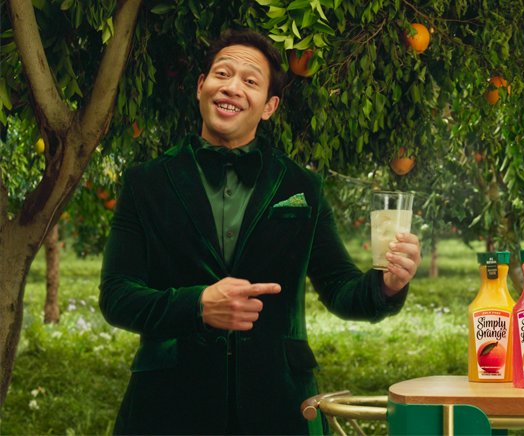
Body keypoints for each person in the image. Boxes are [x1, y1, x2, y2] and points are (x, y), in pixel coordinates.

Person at [99, 28, 421, 435]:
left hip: (280, 406)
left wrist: (388, 284)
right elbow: (117, 295)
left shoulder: (301, 187)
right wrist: (197, 304)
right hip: (168, 407)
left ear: (269, 106)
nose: (232, 87)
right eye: (222, 74)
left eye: (250, 81)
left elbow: (341, 289)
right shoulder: (145, 183)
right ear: (201, 87)